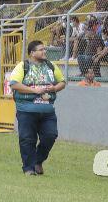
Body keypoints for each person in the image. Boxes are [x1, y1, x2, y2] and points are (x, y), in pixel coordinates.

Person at [8, 40, 66, 176]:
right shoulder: (23, 66)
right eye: (41, 50)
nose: (44, 51)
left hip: (47, 111)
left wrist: (54, 88)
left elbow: (62, 82)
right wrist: (34, 90)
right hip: (26, 110)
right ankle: (28, 168)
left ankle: (38, 161)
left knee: (50, 136)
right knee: (27, 139)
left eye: (44, 49)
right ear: (32, 53)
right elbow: (14, 84)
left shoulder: (51, 66)